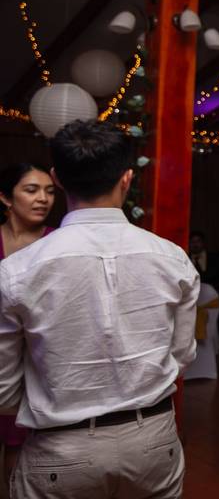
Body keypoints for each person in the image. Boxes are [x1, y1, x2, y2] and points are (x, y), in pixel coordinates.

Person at [0, 119, 199, 499]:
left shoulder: (17, 271)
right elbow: (181, 357)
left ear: (57, 179)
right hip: (152, 441)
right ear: (127, 178)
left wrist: (59, 397)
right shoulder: (172, 259)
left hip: (62, 447)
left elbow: (4, 391)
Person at [0, 163, 57, 485]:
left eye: (49, 191)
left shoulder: (57, 242)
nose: (43, 199)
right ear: (6, 198)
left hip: (37, 363)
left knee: (21, 456)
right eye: (31, 190)